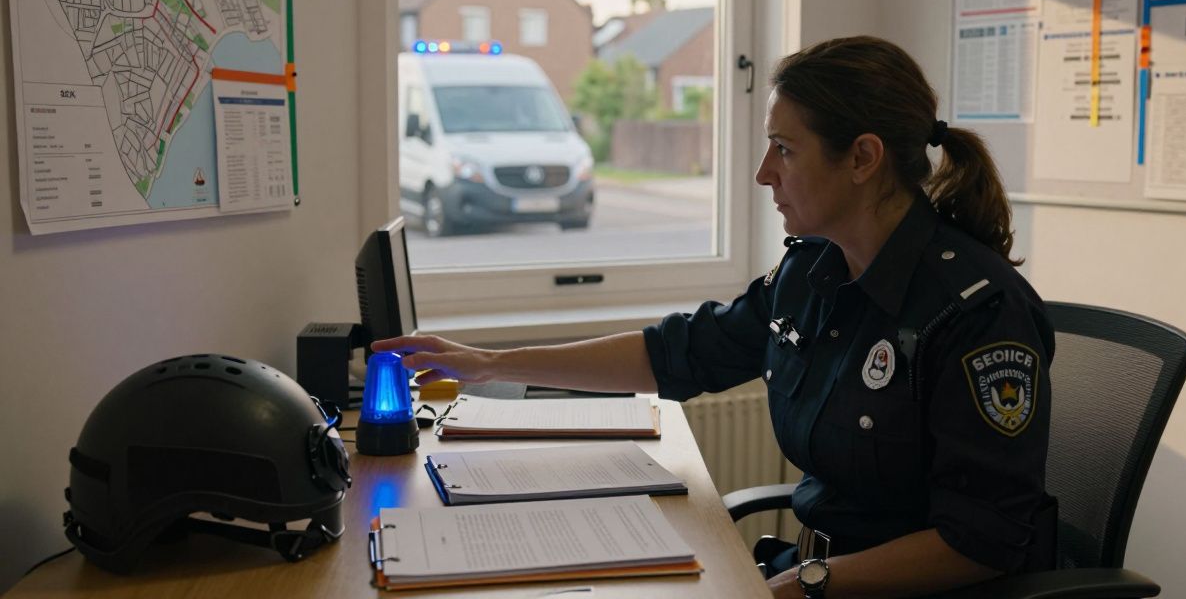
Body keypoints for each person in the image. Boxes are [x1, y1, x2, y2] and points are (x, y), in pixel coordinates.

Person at [374, 36, 1056, 598]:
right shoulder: (812, 273)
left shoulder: (978, 312)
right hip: (818, 577)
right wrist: (490, 364)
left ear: (864, 158)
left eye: (784, 149)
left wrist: (799, 585)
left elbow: (981, 542)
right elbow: (677, 353)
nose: (764, 173)